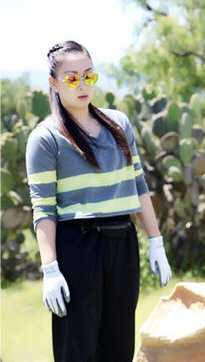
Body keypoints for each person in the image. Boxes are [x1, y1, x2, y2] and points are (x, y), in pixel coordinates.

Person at [26, 40, 172, 361]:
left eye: (88, 76)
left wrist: (156, 242)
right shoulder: (46, 137)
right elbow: (44, 209)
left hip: (123, 245)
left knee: (118, 346)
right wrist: (50, 269)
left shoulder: (118, 124)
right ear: (54, 83)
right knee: (77, 350)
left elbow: (139, 186)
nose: (82, 85)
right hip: (77, 247)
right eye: (72, 78)